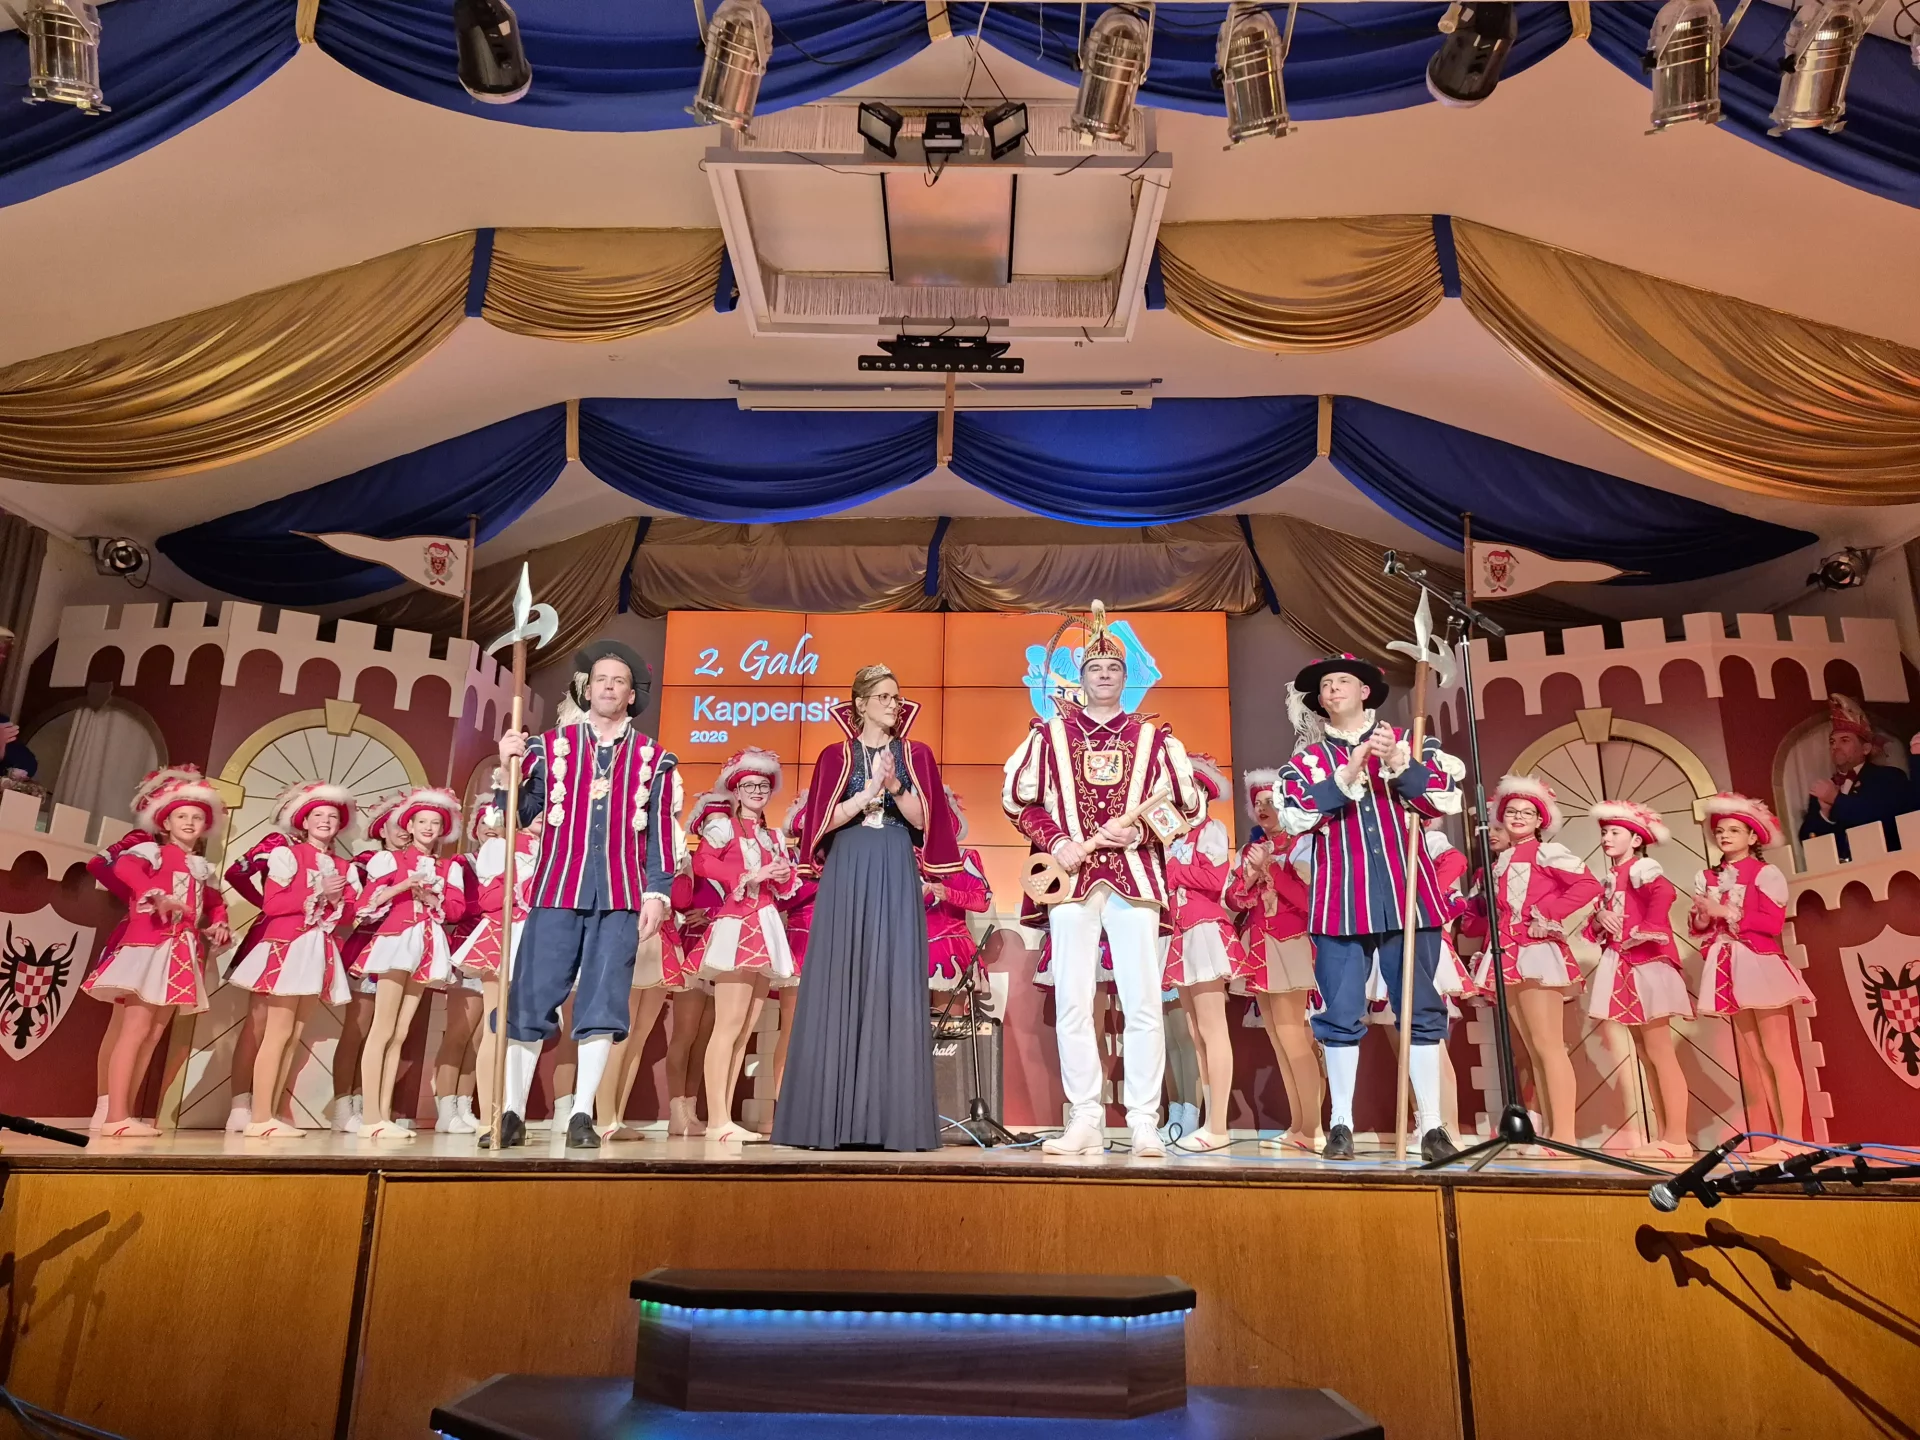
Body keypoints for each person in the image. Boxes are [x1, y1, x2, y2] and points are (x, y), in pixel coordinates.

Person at [1004, 603, 1203, 1160]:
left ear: (1125, 676)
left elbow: (1186, 805)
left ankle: (1143, 1121)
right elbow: (1019, 801)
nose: (1105, 675)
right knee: (1073, 1000)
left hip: (1135, 878)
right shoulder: (1049, 736)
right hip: (1070, 881)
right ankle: (1085, 1118)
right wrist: (1057, 842)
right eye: (1095, 668)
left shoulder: (1154, 739)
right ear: (1082, 676)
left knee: (1142, 1002)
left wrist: (1139, 831)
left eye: (1114, 668)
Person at [1275, 653, 1462, 1164]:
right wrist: (1350, 771)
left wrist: (1399, 763)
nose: (1333, 689)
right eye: (1326, 685)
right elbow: (1297, 816)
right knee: (1339, 1012)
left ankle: (1432, 1126)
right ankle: (1341, 1124)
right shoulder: (1306, 763)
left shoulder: (1410, 741)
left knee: (1420, 1009)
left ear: (1364, 691)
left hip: (1409, 898)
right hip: (1340, 901)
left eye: (1343, 681)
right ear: (1319, 700)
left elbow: (1438, 800)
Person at [492, 639, 679, 1150]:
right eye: (601, 680)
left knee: (603, 1003)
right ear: (587, 689)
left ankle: (581, 1114)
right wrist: (508, 770)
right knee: (530, 998)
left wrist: (657, 893)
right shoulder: (549, 747)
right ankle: (511, 1112)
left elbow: (661, 835)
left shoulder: (656, 759)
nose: (609, 687)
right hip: (557, 889)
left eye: (619, 681)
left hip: (619, 897)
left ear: (631, 694)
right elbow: (518, 815)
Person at [778, 663, 962, 1152]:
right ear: (859, 704)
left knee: (891, 977)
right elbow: (821, 824)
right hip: (849, 865)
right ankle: (829, 1120)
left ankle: (891, 1120)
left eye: (896, 697)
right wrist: (864, 794)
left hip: (893, 864)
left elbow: (925, 821)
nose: (892, 704)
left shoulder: (915, 754)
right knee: (842, 976)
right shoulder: (833, 756)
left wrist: (896, 786)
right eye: (883, 696)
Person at [84, 772, 232, 1137]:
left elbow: (214, 902)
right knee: (134, 1030)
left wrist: (219, 923)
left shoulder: (200, 867)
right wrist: (157, 895)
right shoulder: (153, 853)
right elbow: (124, 868)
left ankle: (125, 1112)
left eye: (196, 818)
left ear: (205, 827)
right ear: (165, 822)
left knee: (152, 1035)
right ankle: (115, 1116)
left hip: (181, 954)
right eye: (181, 816)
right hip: (149, 947)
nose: (189, 822)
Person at [1692, 793, 1814, 1161]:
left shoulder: (1765, 873)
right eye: (1720, 831)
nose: (1725, 836)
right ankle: (1778, 1138)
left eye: (1733, 830)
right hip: (1728, 965)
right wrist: (1703, 917)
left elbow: (1772, 923)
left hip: (1760, 964)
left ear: (1751, 836)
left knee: (1779, 1053)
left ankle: (1795, 1138)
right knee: (1757, 1057)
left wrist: (1726, 912)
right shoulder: (1707, 877)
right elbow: (1699, 927)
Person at [1478, 774, 1599, 1145]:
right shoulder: (1502, 860)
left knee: (1548, 1046)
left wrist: (1547, 912)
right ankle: (1547, 1132)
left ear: (1539, 820)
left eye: (1526, 812)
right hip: (1509, 952)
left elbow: (1588, 885)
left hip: (1536, 951)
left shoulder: (1546, 852)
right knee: (1532, 1050)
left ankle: (1565, 1135)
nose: (1518, 817)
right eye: (1512, 811)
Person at [692, 748, 798, 1145]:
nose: (757, 791)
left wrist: (781, 875)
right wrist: (748, 875)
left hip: (765, 925)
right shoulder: (723, 827)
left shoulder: (773, 836)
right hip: (736, 924)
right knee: (728, 1025)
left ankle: (724, 1116)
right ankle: (716, 1119)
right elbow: (703, 863)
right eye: (750, 785)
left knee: (745, 1029)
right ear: (736, 790)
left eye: (764, 786)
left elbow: (784, 886)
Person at [356, 787, 465, 1141]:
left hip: (427, 944)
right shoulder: (391, 860)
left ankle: (382, 1114)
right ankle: (370, 1117)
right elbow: (364, 904)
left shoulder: (446, 867)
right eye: (422, 822)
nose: (429, 828)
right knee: (382, 1028)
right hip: (397, 940)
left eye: (435, 823)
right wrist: (404, 885)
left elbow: (455, 910)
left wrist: (433, 897)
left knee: (400, 1032)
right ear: (411, 825)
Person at [1583, 800, 1691, 1159]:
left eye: (1615, 832)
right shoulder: (1612, 877)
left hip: (1647, 963)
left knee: (1659, 1051)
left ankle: (1677, 1138)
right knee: (1645, 1052)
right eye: (1604, 832)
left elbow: (1665, 893)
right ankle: (1664, 1136)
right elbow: (1599, 924)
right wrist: (1600, 917)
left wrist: (1648, 927)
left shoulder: (1642, 867)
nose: (1606, 838)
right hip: (1624, 963)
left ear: (1635, 840)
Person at [1229, 771, 1321, 1151]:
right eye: (1259, 803)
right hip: (1260, 947)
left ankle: (1313, 1129)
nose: (1264, 808)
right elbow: (1234, 899)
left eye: (1271, 800)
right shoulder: (1255, 849)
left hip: (1291, 944)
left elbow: (1308, 901)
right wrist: (1250, 876)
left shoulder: (1303, 844)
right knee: (1277, 1038)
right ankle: (1298, 1125)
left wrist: (1271, 869)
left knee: (1293, 1034)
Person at [1161, 754, 1244, 1153]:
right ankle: (1210, 1123)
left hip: (1205, 930)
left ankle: (1218, 1124)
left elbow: (1214, 878)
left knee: (1212, 1029)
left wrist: (1173, 872)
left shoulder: (1212, 830)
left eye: (1190, 789)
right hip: (1179, 933)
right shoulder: (1171, 837)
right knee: (1195, 1033)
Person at [453, 793, 542, 1133]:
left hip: (540, 939)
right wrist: (527, 886)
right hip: (505, 936)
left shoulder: (554, 850)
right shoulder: (500, 847)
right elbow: (490, 899)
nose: (541, 814)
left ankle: (513, 1114)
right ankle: (491, 1118)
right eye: (535, 808)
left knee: (528, 1030)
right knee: (496, 1027)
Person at [331, 792, 404, 1133]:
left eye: (406, 824)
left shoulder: (420, 863)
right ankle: (342, 1105)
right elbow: (356, 907)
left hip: (401, 950)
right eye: (395, 825)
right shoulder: (364, 863)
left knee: (389, 1030)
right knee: (358, 1029)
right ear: (382, 831)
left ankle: (368, 1104)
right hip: (368, 948)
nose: (402, 831)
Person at [1797, 695, 1918, 862]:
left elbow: (1880, 818)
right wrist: (1824, 814)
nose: (1835, 747)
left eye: (1844, 741)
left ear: (1865, 749)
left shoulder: (1889, 777)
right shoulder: (1825, 788)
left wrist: (1836, 800)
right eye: (1832, 742)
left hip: (1887, 866)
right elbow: (1808, 840)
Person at [925, 788, 992, 1003]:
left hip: (950, 946)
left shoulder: (965, 858)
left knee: (948, 1020)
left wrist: (949, 893)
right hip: (908, 946)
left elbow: (982, 901)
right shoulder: (903, 858)